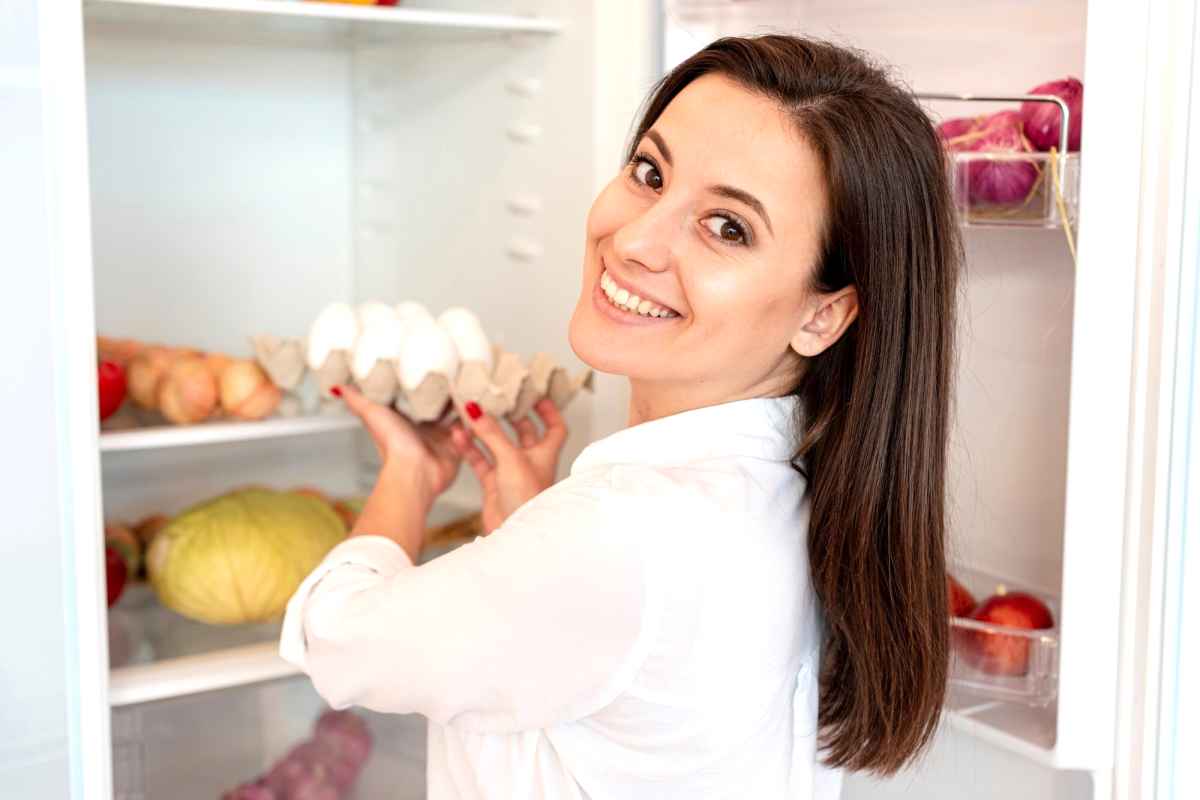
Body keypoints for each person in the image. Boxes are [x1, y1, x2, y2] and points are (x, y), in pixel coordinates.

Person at [280, 34, 961, 799]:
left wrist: (410, 474)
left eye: (727, 227)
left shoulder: (617, 535)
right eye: (650, 173)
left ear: (822, 314)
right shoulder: (800, 498)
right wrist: (533, 530)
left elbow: (335, 641)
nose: (634, 241)